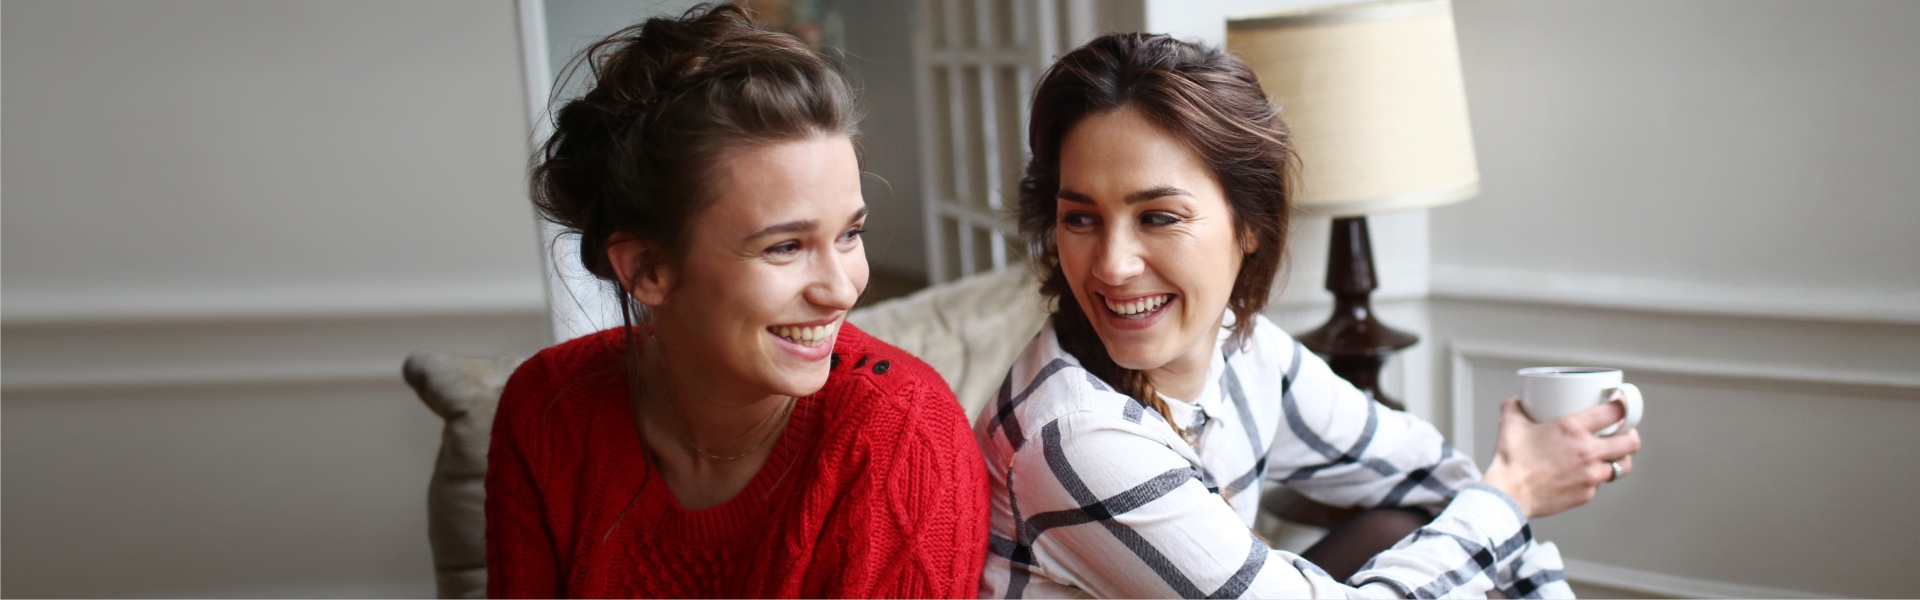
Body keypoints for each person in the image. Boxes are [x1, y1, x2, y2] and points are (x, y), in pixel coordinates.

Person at [976, 33, 1642, 598]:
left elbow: (1436, 476)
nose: (1112, 265)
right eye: (1081, 218)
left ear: (1250, 226)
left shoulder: (1246, 350)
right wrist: (1516, 488)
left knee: (1414, 517)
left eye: (1158, 217)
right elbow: (1494, 501)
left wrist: (1531, 553)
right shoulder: (1074, 439)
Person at [485, 5, 988, 597]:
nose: (842, 288)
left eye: (850, 234)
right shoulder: (546, 409)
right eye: (785, 246)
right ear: (647, 270)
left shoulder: (901, 438)